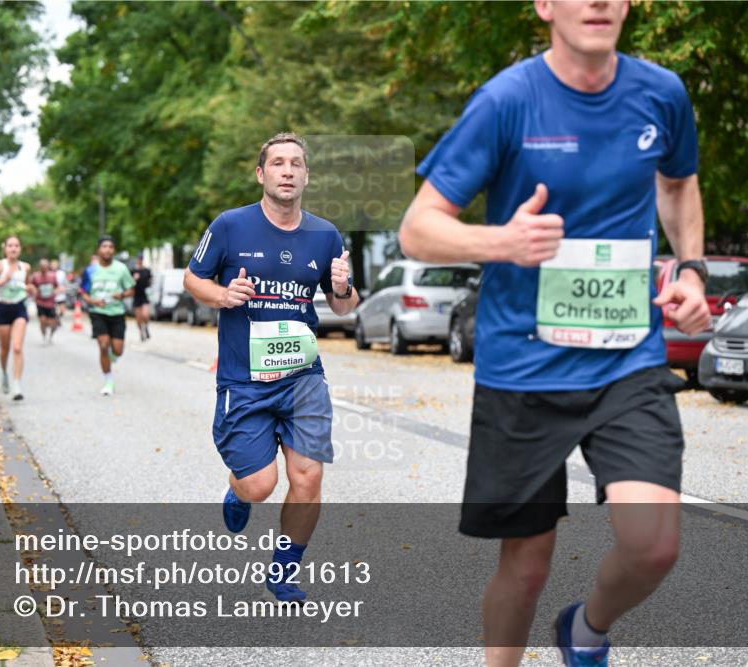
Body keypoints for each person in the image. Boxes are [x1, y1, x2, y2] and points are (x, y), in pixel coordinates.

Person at [398, 2, 711, 666]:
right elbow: (418, 227)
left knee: (654, 542)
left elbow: (679, 185)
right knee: (527, 565)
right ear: (544, 5)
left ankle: (587, 630)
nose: (597, 1)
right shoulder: (508, 101)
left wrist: (690, 269)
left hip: (628, 359)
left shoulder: (662, 94)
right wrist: (502, 240)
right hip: (524, 368)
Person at [183, 132, 358, 603]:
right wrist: (222, 296)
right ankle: (238, 491)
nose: (287, 171)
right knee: (261, 485)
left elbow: (344, 308)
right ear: (261, 174)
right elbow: (192, 278)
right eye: (277, 163)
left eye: (295, 164)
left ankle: (284, 570)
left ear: (306, 175)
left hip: (303, 377)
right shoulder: (229, 226)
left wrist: (342, 287)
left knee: (309, 477)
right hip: (244, 380)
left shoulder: (326, 235)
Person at [79, 237, 134, 396]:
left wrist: (121, 294)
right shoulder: (90, 270)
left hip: (117, 313)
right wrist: (93, 301)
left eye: (111, 246)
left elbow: (132, 290)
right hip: (98, 313)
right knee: (103, 345)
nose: (107, 249)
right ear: (98, 250)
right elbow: (83, 292)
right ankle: (108, 381)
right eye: (104, 246)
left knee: (118, 350)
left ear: (114, 250)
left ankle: (112, 356)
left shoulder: (121, 269)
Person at [0, 236, 35, 401]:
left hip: (19, 308)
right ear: (5, 248)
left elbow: (26, 286)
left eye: (16, 246)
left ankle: (17, 384)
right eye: (10, 246)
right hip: (2, 308)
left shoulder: (25, 267)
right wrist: (4, 279)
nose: (13, 248)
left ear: (20, 248)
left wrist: (30, 289)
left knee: (18, 347)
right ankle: (5, 372)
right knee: (4, 349)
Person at [30, 258, 60, 343]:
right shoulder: (35, 276)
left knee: (53, 323)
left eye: (45, 266)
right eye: (42, 266)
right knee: (42, 320)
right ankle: (44, 335)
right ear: (40, 267)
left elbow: (57, 286)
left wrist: (56, 291)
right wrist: (34, 291)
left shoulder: (53, 276)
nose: (44, 268)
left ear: (48, 267)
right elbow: (31, 286)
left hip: (51, 302)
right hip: (40, 302)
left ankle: (51, 335)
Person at [131, 255, 153, 341]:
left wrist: (151, 281)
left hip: (144, 295)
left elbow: (150, 281)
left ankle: (146, 327)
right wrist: (134, 279)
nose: (139, 261)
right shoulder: (133, 271)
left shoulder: (146, 270)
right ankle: (141, 332)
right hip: (136, 296)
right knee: (139, 317)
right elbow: (129, 283)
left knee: (146, 315)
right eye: (138, 259)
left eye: (141, 259)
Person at [52, 257, 68, 327]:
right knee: (54, 310)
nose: (54, 266)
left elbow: (66, 283)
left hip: (61, 295)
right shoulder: (49, 273)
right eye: (53, 265)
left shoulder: (62, 273)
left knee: (62, 310)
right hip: (53, 295)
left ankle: (57, 319)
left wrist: (64, 288)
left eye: (55, 265)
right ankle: (56, 320)